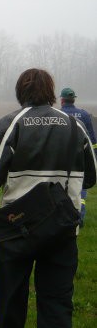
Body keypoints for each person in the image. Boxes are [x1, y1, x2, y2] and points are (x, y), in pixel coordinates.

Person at [0, 68, 96, 328]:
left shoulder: (9, 124)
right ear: (51, 92)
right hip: (62, 230)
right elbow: (91, 178)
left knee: (11, 301)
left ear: (21, 92)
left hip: (17, 230)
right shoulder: (74, 126)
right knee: (56, 306)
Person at [60, 87, 96, 227]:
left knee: (62, 189)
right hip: (80, 158)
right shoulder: (85, 115)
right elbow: (92, 140)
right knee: (80, 191)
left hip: (62, 159)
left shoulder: (58, 114)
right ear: (74, 99)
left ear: (62, 100)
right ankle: (78, 219)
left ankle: (61, 219)